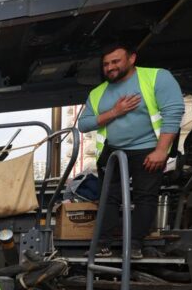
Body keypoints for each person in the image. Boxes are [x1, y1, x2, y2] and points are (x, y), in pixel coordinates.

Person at [78, 41, 184, 259]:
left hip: (148, 149)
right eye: (106, 64)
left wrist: (162, 150)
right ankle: (103, 244)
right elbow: (84, 124)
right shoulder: (98, 93)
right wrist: (115, 112)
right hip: (114, 152)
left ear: (132, 58)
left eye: (115, 61)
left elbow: (173, 112)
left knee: (145, 196)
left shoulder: (157, 77)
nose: (110, 67)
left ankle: (134, 243)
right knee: (108, 197)